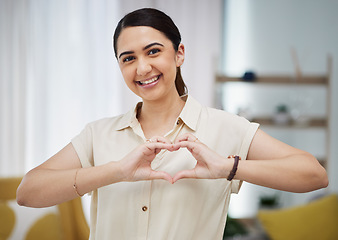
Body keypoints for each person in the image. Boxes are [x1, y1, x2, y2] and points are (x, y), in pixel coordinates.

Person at [17, 8, 328, 240]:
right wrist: (116, 171)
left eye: (154, 51)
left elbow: (314, 175)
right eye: (128, 58)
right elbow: (28, 192)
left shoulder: (226, 127)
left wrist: (227, 168)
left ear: (179, 54)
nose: (142, 67)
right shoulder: (98, 134)